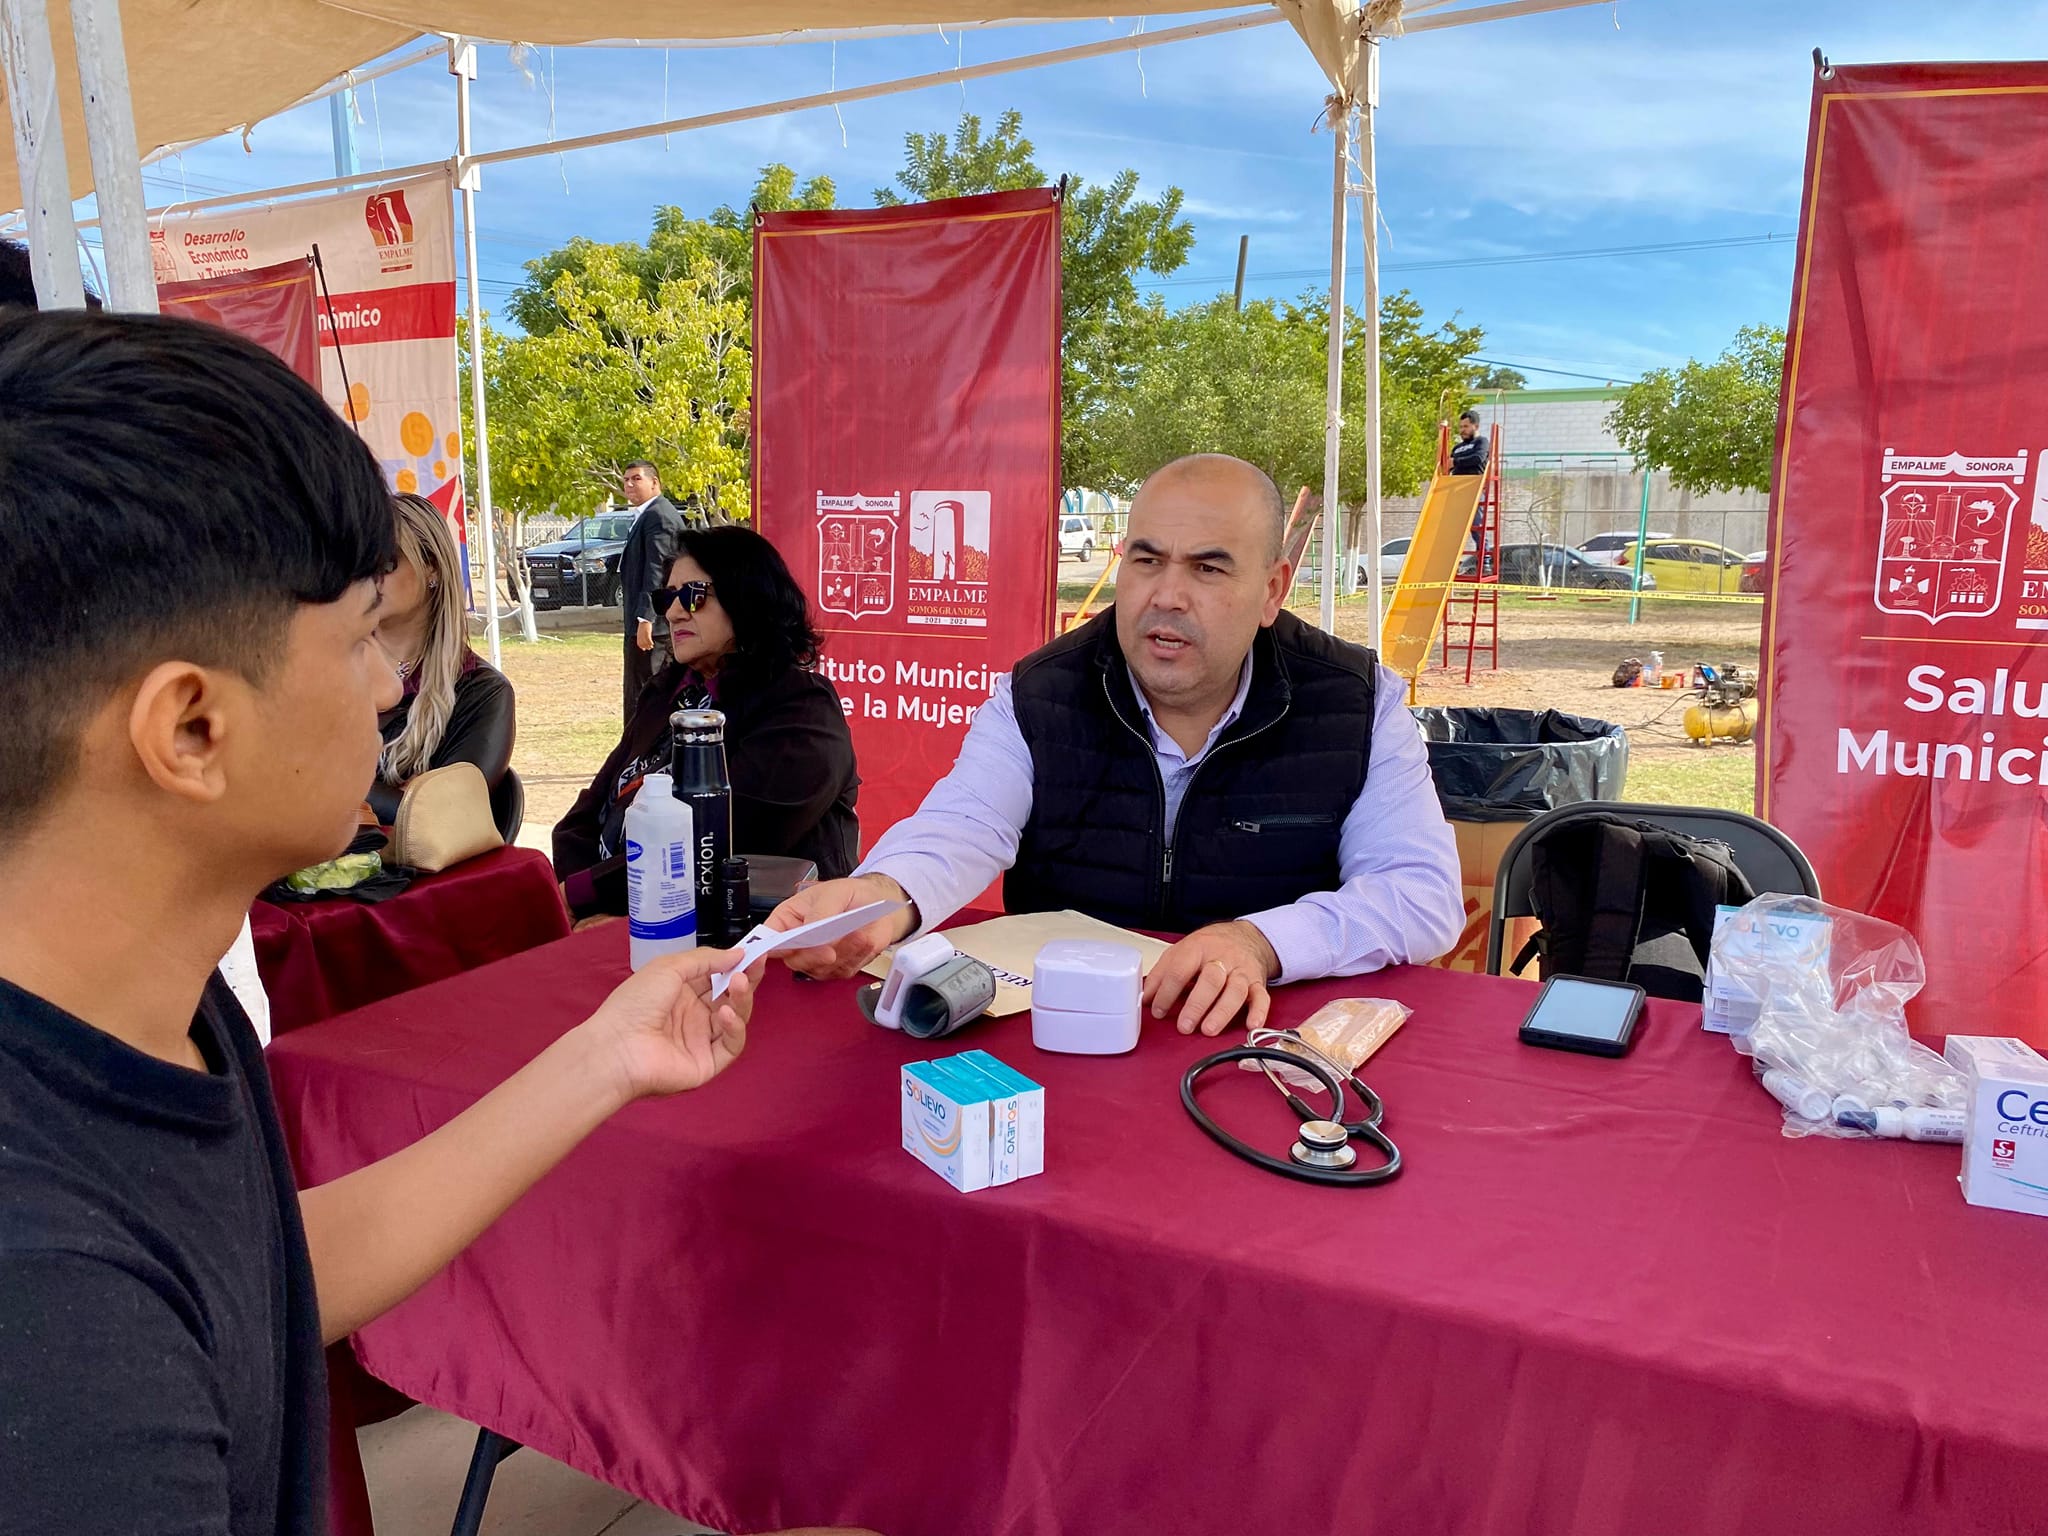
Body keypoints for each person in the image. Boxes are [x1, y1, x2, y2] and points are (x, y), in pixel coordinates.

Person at [0, 309, 820, 1535]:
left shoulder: (152, 1004)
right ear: (190, 729)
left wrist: (604, 1059)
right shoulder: (48, 1316)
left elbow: (261, 1279)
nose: (392, 685)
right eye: (357, 639)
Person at [764, 453, 1464, 1038]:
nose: (1167, 596)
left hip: (1262, 1050)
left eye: (1209, 569)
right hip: (1061, 1045)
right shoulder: (1041, 693)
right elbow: (961, 826)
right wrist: (880, 895)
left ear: (1271, 590)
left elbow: (1421, 894)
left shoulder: (1355, 701)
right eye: (1146, 559)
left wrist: (1259, 941)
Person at [555, 525, 859, 921]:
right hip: (620, 913)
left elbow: (720, 840)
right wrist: (573, 897)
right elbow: (593, 806)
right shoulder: (665, 693)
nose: (674, 611)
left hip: (752, 937)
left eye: (693, 596)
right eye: (667, 596)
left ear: (748, 598)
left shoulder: (801, 708)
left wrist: (587, 895)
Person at [367, 491, 516, 824]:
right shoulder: (323, 671)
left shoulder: (482, 692)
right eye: (358, 562)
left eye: (386, 562)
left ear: (431, 567)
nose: (368, 576)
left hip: (407, 873)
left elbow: (440, 817)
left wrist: (331, 784)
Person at [618, 458, 690, 719]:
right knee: (637, 698)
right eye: (626, 480)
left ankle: (645, 756)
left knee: (647, 700)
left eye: (636, 478)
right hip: (643, 624)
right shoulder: (646, 515)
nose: (629, 484)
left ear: (654, 482)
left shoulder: (659, 516)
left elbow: (658, 571)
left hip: (655, 628)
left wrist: (646, 618)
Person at [1451, 407, 1490, 476]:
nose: (1462, 430)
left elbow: (1478, 458)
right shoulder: (1456, 448)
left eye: (1466, 426)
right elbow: (1447, 464)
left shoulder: (1481, 441)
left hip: (1474, 482)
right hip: (1455, 483)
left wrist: (1455, 462)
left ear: (1476, 427)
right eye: (1461, 427)